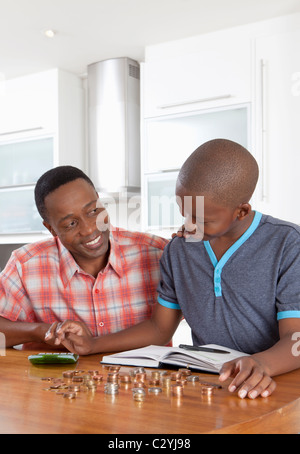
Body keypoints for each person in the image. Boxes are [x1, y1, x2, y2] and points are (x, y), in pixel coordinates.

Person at [50, 139, 300, 400]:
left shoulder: (288, 244)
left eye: (202, 220)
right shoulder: (179, 250)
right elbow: (160, 329)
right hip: (212, 387)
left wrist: (262, 364)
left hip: (274, 383)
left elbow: (296, 337)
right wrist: (93, 344)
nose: (190, 227)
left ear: (241, 211)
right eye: (185, 214)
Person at [0, 166, 168, 348]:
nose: (89, 229)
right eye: (71, 224)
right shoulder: (25, 265)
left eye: (94, 211)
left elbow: (177, 326)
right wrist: (42, 331)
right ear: (51, 229)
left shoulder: (157, 253)